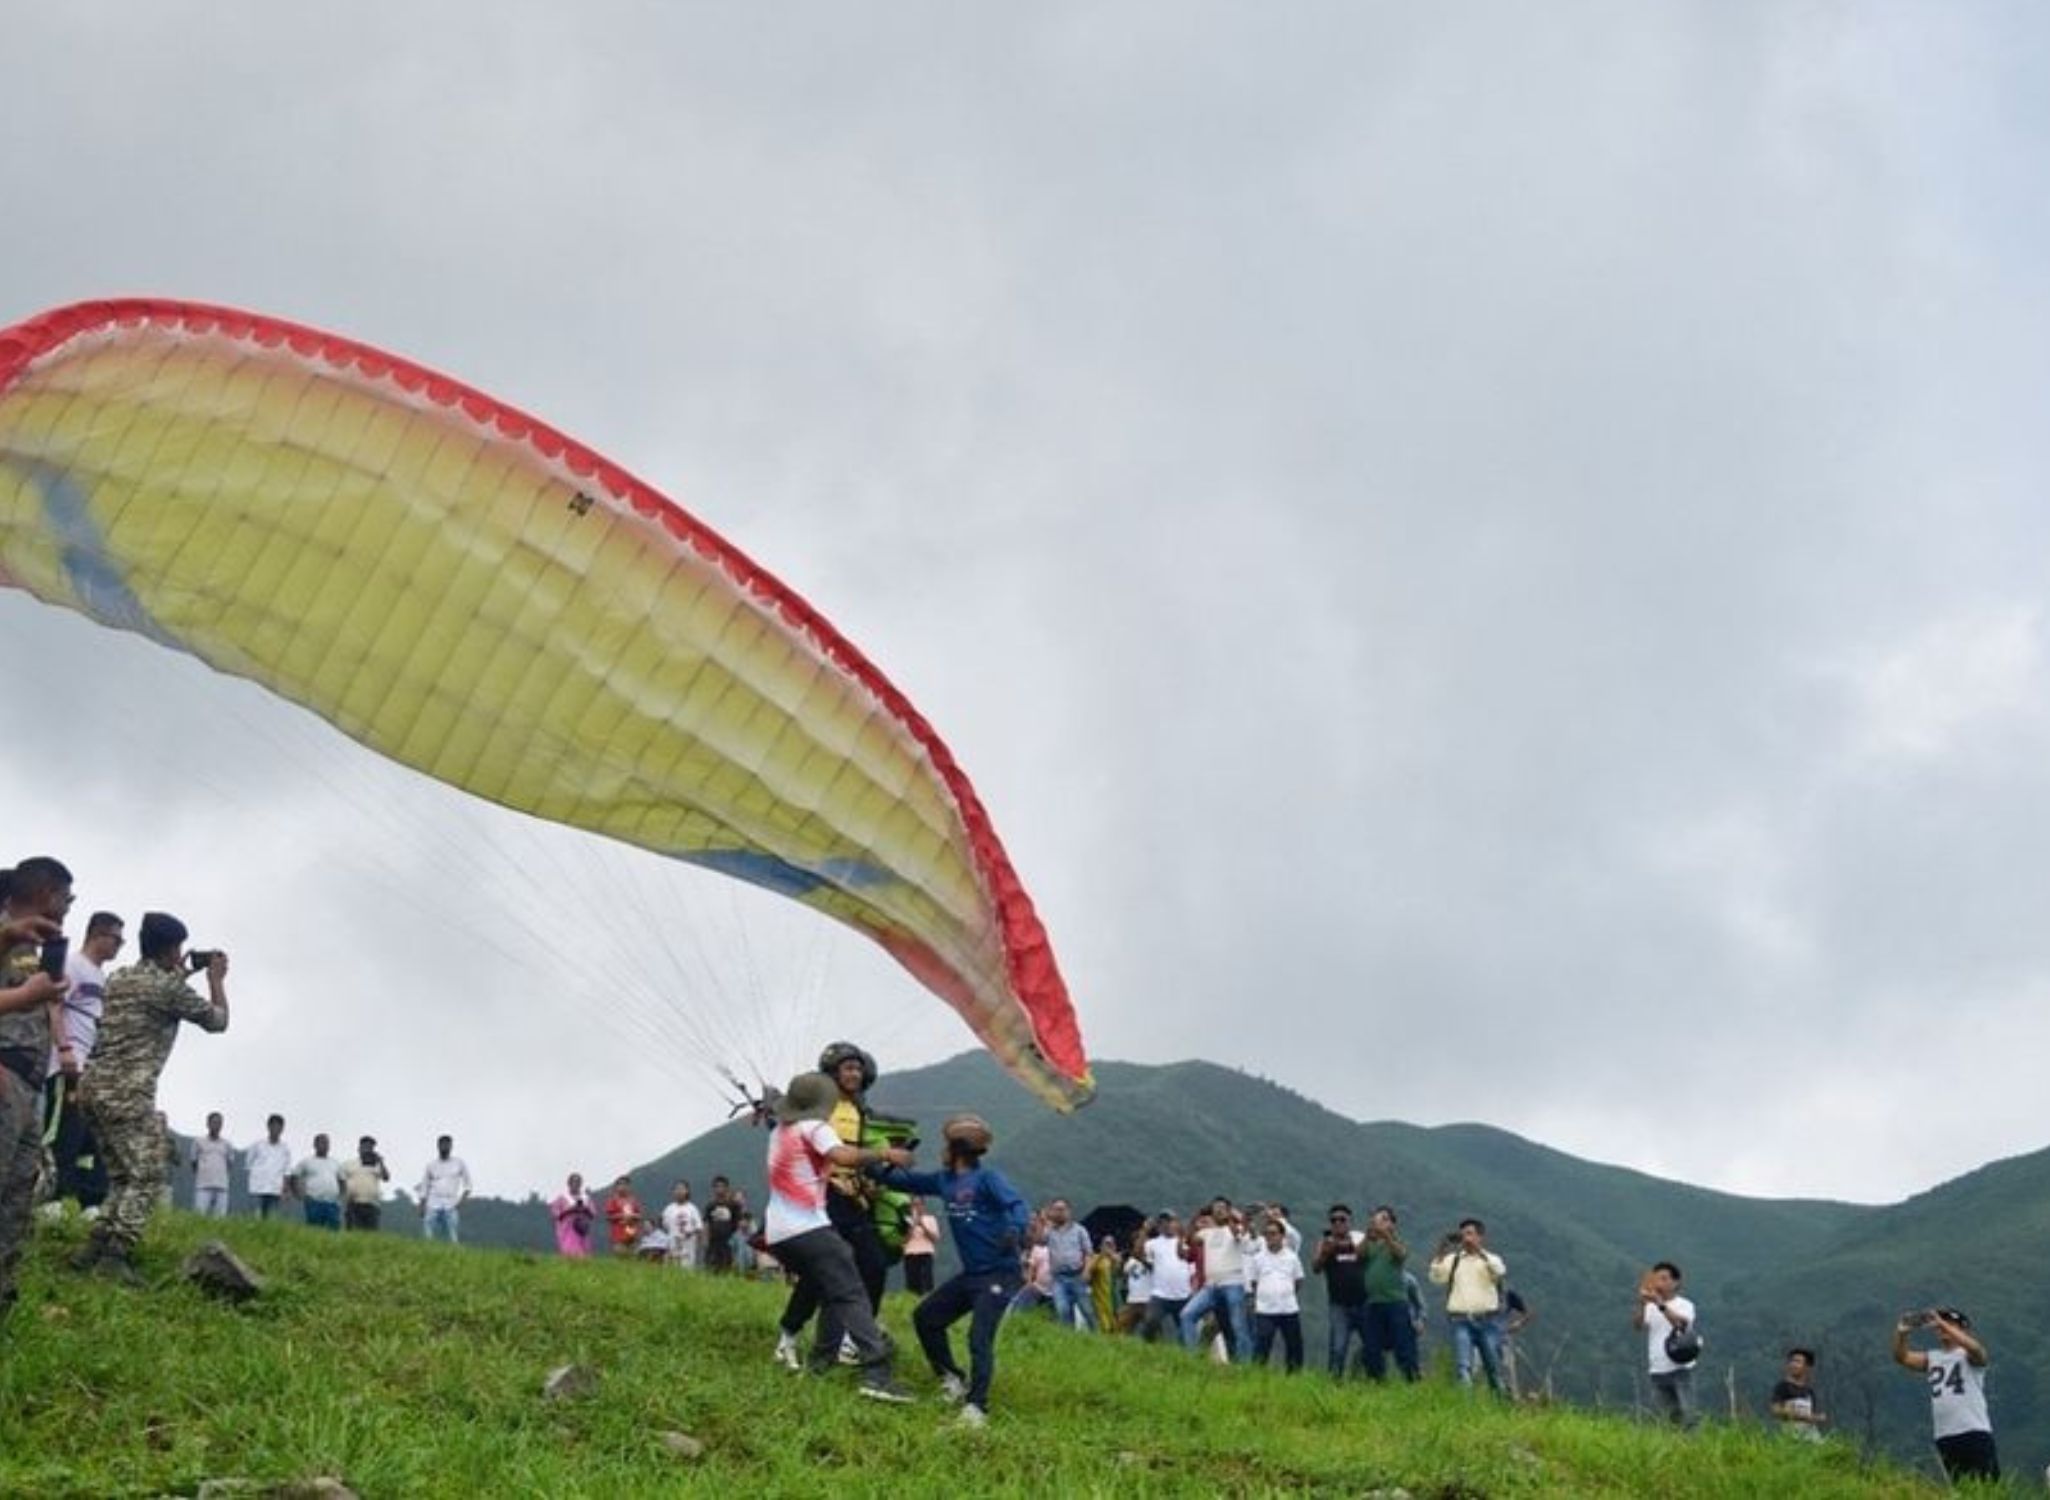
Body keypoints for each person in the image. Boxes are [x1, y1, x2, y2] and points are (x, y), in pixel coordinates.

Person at [73, 911, 229, 1281]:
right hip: (127, 1093)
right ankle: (115, 1255)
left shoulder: (121, 978)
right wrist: (216, 979)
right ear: (173, 949)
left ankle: (94, 1247)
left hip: (93, 1088)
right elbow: (217, 1021)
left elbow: (157, 986)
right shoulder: (168, 990)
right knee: (146, 1177)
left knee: (123, 1176)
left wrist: (184, 968)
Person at [761, 1071, 913, 1402]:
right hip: (808, 1227)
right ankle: (877, 1374)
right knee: (852, 1293)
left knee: (831, 1289)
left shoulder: (781, 1131)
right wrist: (887, 1154)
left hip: (779, 1233)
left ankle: (821, 1363)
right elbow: (843, 1156)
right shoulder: (815, 1128)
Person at [871, 1111, 1030, 1427]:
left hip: (999, 1273)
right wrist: (881, 1161)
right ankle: (953, 1378)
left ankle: (977, 1408)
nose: (941, 1151)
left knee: (979, 1337)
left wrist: (1014, 1228)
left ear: (957, 1149)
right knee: (926, 1318)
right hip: (972, 1274)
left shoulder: (988, 1179)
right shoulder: (944, 1181)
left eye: (946, 1145)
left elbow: (1017, 1205)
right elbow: (897, 1180)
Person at [0, 858, 75, 1313]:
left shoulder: (34, 942)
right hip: (4, 1071)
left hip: (30, 1082)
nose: (68, 906)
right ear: (49, 893)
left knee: (15, 1200)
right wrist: (29, 995)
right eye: (67, 897)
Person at [43, 908, 121, 1210]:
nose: (118, 946)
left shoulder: (101, 976)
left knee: (90, 1138)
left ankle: (90, 1201)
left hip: (93, 1064)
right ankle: (50, 1199)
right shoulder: (73, 964)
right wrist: (64, 1049)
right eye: (116, 939)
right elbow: (54, 1004)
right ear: (98, 934)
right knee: (63, 1131)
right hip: (69, 1062)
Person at [1894, 1307, 1998, 1484]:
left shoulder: (1968, 1356)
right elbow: (1902, 1357)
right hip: (1945, 1435)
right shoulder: (1933, 1357)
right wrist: (1902, 1333)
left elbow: (1976, 1349)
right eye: (1940, 1326)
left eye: (1950, 1325)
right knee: (1960, 1487)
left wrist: (1942, 1323)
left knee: (1987, 1486)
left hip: (1973, 1431)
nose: (1942, 1329)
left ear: (1962, 1329)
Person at [1429, 1218, 1508, 1393]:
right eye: (1463, 1234)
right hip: (1460, 1320)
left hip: (1488, 1321)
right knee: (1463, 1366)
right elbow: (1435, 1276)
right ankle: (1467, 1404)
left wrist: (1479, 1251)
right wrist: (1442, 1249)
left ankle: (1502, 1404)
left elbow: (1500, 1272)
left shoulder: (1491, 1259)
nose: (1466, 1238)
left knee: (1493, 1368)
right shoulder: (1454, 1260)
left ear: (1480, 1237)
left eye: (1470, 1233)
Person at [1179, 1197, 1252, 1359]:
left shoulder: (1236, 1229)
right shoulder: (1206, 1232)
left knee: (1238, 1325)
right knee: (1187, 1315)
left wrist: (1231, 1217)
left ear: (1229, 1210)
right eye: (1215, 1208)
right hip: (1211, 1285)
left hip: (1232, 1283)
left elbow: (1239, 1233)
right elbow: (1190, 1238)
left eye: (1222, 1207)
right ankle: (1191, 1356)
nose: (1218, 1210)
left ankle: (1244, 1363)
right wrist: (1197, 1216)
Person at [1634, 1261, 1699, 1428]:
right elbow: (1638, 1326)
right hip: (1657, 1369)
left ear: (1675, 1282)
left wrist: (1660, 1304)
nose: (1659, 1283)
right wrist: (1642, 1303)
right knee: (1664, 1419)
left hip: (1680, 1368)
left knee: (1688, 1415)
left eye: (1664, 1279)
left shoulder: (1685, 1305)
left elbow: (1681, 1324)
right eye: (1656, 1279)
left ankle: (1691, 1449)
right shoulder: (1650, 1306)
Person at [1359, 1205, 1421, 1381]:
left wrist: (1386, 1236)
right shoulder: (1370, 1245)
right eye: (1377, 1220)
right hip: (1373, 1303)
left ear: (1392, 1224)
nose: (1379, 1223)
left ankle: (1411, 1379)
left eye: (1384, 1219)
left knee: (1404, 1345)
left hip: (1396, 1302)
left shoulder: (1398, 1242)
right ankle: (1376, 1380)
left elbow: (1400, 1255)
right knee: (1372, 1346)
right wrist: (1367, 1235)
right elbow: (1358, 1255)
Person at [1315, 1205, 1371, 1376]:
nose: (1338, 1223)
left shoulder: (1359, 1240)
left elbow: (1367, 1255)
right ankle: (1334, 1383)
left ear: (1349, 1222)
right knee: (1338, 1347)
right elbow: (1316, 1268)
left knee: (1372, 1345)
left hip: (1364, 1303)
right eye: (1334, 1220)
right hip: (1339, 1305)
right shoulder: (1325, 1243)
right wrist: (1325, 1254)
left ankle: (1373, 1380)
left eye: (1342, 1219)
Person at [1246, 1216, 1306, 1372]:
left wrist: (1286, 1292)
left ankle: (1294, 1376)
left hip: (1288, 1308)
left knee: (1294, 1346)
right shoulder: (1258, 1258)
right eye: (1267, 1234)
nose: (1270, 1237)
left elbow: (1298, 1280)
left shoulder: (1292, 1257)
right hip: (1265, 1310)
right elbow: (1254, 1282)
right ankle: (1256, 1374)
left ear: (1282, 1236)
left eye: (1273, 1233)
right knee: (1262, 1345)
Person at [1043, 1199, 1096, 1329]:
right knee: (1062, 1310)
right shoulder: (1049, 1231)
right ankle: (1069, 1338)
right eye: (1056, 1209)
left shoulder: (1079, 1230)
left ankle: (1097, 1335)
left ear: (1069, 1211)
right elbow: (1038, 1241)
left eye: (1062, 1209)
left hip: (1077, 1275)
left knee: (1087, 1310)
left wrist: (1087, 1270)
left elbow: (1089, 1253)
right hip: (1058, 1278)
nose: (1059, 1213)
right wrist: (1045, 1221)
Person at [1141, 1212, 1193, 1342]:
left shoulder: (1185, 1242)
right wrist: (1144, 1231)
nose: (1167, 1225)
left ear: (1177, 1224)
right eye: (1163, 1222)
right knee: (1150, 1322)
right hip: (1160, 1295)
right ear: (1159, 1226)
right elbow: (1140, 1254)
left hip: (1183, 1295)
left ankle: (1186, 1354)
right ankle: (1149, 1349)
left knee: (1185, 1330)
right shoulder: (1152, 1244)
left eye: (1170, 1221)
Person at [416, 1134, 471, 1243]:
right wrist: (422, 1205)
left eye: (447, 1144)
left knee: (452, 1234)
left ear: (451, 1147)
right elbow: (424, 1186)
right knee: (428, 1232)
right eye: (442, 1144)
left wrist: (462, 1200)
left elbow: (468, 1185)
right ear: (438, 1146)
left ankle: (454, 1254)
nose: (445, 1147)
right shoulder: (431, 1165)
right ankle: (428, 1250)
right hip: (433, 1203)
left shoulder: (459, 1163)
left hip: (451, 1204)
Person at [1769, 1347, 1827, 1441]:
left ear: (1807, 1367)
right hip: (1791, 1435)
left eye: (1798, 1362)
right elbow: (1775, 1410)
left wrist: (1817, 1418)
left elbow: (1811, 1414)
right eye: (1792, 1361)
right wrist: (1803, 1417)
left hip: (1809, 1436)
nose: (1793, 1365)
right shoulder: (1783, 1387)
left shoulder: (1809, 1392)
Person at [244, 1114, 293, 1220]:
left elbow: (287, 1171)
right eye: (274, 1126)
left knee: (271, 1219)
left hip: (275, 1188)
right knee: (256, 1217)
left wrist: (285, 1189)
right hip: (258, 1187)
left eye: (279, 1126)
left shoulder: (285, 1149)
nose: (276, 1129)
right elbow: (248, 1164)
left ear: (282, 1129)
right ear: (268, 1126)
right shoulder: (257, 1145)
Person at [293, 1133, 344, 1231]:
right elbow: (294, 1176)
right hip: (314, 1201)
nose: (324, 1145)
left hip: (332, 1203)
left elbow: (342, 1181)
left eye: (326, 1143)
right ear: (315, 1145)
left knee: (333, 1230)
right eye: (321, 1143)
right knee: (314, 1229)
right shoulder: (307, 1161)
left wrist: (341, 1197)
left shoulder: (335, 1163)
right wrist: (298, 1194)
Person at [340, 1136, 390, 1231]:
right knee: (354, 1231)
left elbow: (386, 1178)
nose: (367, 1150)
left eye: (370, 1148)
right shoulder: (349, 1164)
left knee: (371, 1234)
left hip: (372, 1204)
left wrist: (381, 1162)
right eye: (365, 1147)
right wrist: (345, 1195)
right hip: (354, 1203)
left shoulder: (376, 1164)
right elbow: (341, 1179)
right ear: (359, 1149)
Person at [191, 1111, 234, 1217]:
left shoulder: (227, 1144)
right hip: (203, 1186)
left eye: (219, 1123)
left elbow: (230, 1164)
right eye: (214, 1122)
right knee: (200, 1216)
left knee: (219, 1218)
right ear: (208, 1124)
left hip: (222, 1186)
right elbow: (193, 1162)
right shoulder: (198, 1142)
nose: (216, 1125)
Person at [899, 1197, 940, 1296]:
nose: (917, 1207)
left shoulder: (931, 1219)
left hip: (925, 1253)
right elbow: (902, 1240)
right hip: (910, 1254)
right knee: (912, 1282)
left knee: (926, 1281)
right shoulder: (905, 1220)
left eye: (919, 1204)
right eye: (914, 1205)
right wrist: (912, 1226)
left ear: (923, 1206)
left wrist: (922, 1225)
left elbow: (935, 1238)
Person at [1119, 1225, 1154, 1335]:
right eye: (1136, 1240)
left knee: (1153, 1334)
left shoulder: (1153, 1259)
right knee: (1122, 1330)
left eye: (1142, 1240)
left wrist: (1145, 1230)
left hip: (1148, 1301)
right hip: (1132, 1301)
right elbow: (1123, 1278)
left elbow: (1143, 1258)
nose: (1139, 1243)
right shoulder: (1130, 1261)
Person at [550, 1172, 595, 1256]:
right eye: (574, 1182)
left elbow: (592, 1214)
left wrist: (585, 1209)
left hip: (581, 1228)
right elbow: (556, 1214)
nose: (576, 1184)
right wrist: (569, 1210)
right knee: (570, 1250)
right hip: (567, 1229)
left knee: (584, 1250)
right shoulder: (562, 1198)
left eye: (578, 1182)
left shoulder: (586, 1198)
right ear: (569, 1184)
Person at [662, 1180, 704, 1270]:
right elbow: (665, 1227)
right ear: (673, 1192)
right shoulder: (669, 1209)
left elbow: (699, 1227)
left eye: (682, 1189)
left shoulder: (692, 1208)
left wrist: (691, 1232)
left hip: (688, 1245)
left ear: (687, 1191)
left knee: (687, 1269)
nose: (679, 1191)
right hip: (673, 1244)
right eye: (677, 1189)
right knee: (672, 1269)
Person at [704, 1176, 739, 1273]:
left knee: (727, 1267)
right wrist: (705, 1241)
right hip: (713, 1242)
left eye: (722, 1186)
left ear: (727, 1188)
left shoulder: (733, 1205)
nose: (719, 1189)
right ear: (713, 1189)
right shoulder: (710, 1205)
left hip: (728, 1242)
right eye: (717, 1186)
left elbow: (737, 1223)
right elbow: (706, 1223)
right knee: (711, 1267)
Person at [603, 1175, 643, 1257]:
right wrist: (622, 1216)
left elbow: (640, 1216)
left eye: (626, 1184)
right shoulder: (613, 1200)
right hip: (619, 1235)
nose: (623, 1186)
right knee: (621, 1256)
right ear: (616, 1187)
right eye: (620, 1184)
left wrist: (633, 1216)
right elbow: (609, 1217)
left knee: (634, 1257)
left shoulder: (633, 1200)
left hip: (632, 1234)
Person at [1088, 1233, 1120, 1333]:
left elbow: (1118, 1272)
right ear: (1101, 1246)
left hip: (1114, 1300)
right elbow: (1088, 1273)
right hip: (1100, 1299)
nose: (1109, 1247)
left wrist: (1113, 1259)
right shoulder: (1095, 1258)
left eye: (1111, 1244)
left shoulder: (1116, 1259)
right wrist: (1101, 1255)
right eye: (1106, 1244)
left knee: (1116, 1328)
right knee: (1104, 1328)